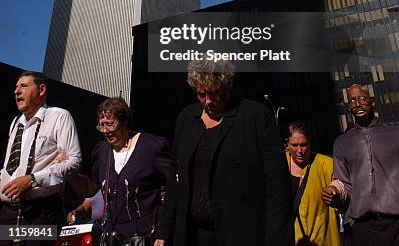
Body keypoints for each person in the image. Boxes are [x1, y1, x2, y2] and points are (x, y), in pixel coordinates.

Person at [154, 59, 293, 246]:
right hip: (192, 235)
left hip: (241, 233)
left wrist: (277, 240)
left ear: (227, 86)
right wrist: (164, 232)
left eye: (213, 93)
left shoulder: (255, 117)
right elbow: (174, 179)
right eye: (201, 94)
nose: (208, 101)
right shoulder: (186, 119)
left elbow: (277, 186)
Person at [68, 97, 169, 244]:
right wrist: (73, 179)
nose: (105, 131)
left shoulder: (151, 147)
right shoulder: (101, 152)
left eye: (110, 124)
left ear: (125, 121)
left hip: (143, 237)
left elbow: (174, 187)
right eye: (101, 125)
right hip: (111, 237)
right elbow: (96, 191)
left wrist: (164, 232)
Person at [0, 70, 81, 242]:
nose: (16, 91)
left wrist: (32, 179)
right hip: (9, 214)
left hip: (41, 212)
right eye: (15, 87)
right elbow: (10, 167)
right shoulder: (15, 123)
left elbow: (74, 162)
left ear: (41, 89)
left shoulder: (60, 117)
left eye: (23, 86)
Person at [321, 84, 399, 245]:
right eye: (353, 100)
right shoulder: (342, 143)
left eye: (362, 98)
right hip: (364, 228)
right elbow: (345, 185)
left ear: (372, 102)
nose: (358, 104)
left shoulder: (395, 134)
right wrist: (335, 192)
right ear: (349, 106)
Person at [286, 123, 339, 245]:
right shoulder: (279, 166)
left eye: (304, 145)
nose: (300, 151)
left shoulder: (327, 165)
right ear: (287, 145)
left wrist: (336, 193)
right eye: (294, 145)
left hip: (320, 237)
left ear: (310, 143)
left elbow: (342, 196)